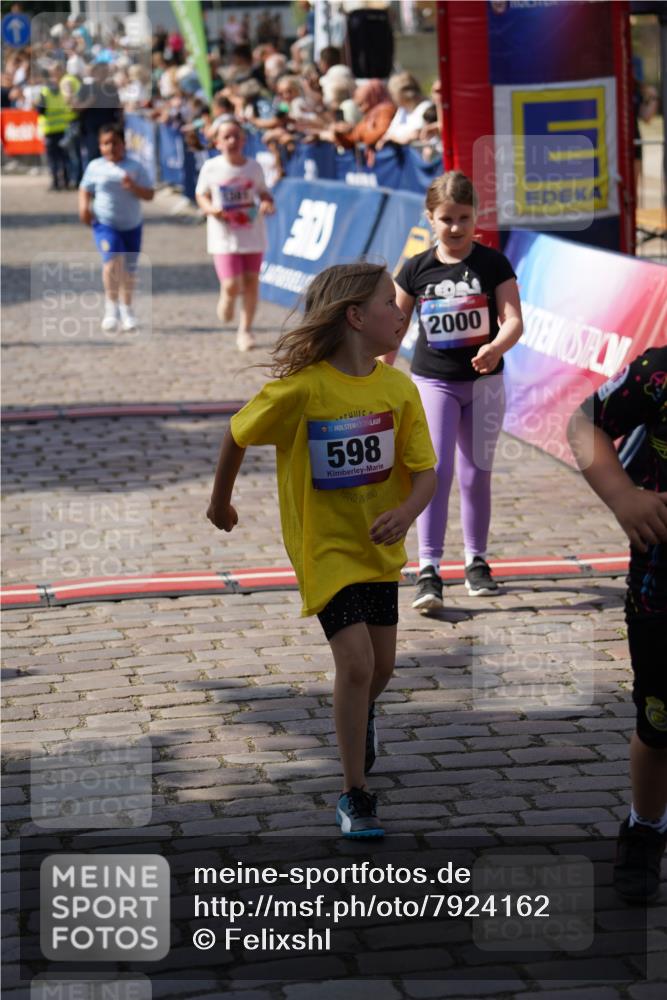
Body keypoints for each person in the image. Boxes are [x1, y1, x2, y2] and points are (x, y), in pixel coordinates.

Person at [207, 263, 436, 836]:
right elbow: (237, 432)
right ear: (356, 317)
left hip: (378, 550)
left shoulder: (399, 388)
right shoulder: (304, 389)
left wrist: (405, 513)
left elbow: (426, 474)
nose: (400, 310)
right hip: (324, 550)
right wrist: (220, 504)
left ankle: (361, 717)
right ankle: (354, 793)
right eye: (389, 302)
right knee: (356, 664)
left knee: (380, 669)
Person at [389, 171, 523, 610]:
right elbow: (391, 327)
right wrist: (376, 379)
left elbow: (514, 320)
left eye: (464, 218)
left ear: (476, 216)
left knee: (475, 473)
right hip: (434, 382)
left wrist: (495, 346)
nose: (456, 228)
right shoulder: (414, 269)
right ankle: (428, 569)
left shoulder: (493, 264)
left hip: (485, 382)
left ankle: (476, 561)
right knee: (436, 472)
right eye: (447, 219)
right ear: (431, 218)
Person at [567, 345, 667, 902]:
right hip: (660, 590)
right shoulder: (658, 371)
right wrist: (622, 495)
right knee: (657, 726)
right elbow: (585, 424)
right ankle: (646, 829)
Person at [195, 119, 275, 352]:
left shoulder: (254, 167)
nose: (232, 141)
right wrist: (210, 210)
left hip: (252, 232)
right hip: (224, 235)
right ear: (217, 142)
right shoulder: (211, 167)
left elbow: (263, 192)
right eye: (226, 137)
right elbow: (201, 194)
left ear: (244, 140)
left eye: (236, 136)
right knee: (231, 284)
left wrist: (268, 203)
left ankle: (246, 330)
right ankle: (227, 297)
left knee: (251, 283)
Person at [78, 122, 154, 333]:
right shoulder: (95, 166)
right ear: (100, 146)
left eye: (115, 143)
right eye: (105, 143)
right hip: (105, 223)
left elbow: (150, 194)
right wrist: (84, 207)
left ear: (124, 144)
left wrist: (134, 187)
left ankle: (127, 309)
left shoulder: (135, 167)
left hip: (131, 224)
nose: (110, 147)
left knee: (129, 270)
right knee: (113, 262)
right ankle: (111, 309)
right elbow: (85, 188)